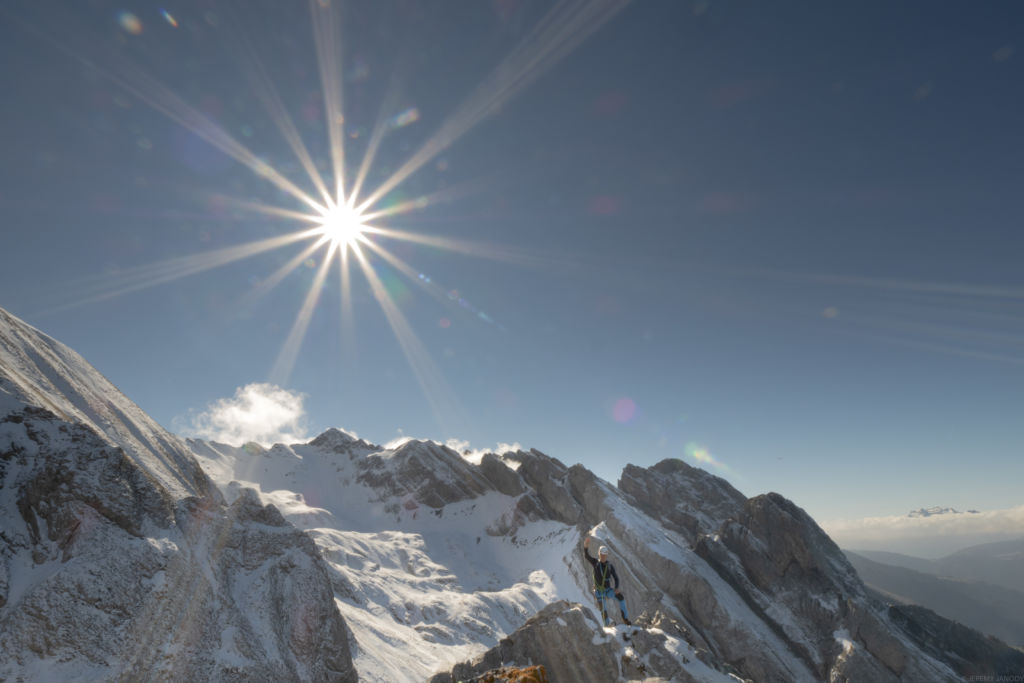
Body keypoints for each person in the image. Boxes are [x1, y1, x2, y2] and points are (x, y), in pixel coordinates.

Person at [583, 535, 630, 626]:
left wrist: (616, 588)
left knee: (621, 598)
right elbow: (586, 556)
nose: (603, 556)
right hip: (599, 591)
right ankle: (607, 625)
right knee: (603, 609)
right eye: (602, 554)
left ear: (607, 555)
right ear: (599, 554)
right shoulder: (595, 563)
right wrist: (585, 546)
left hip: (608, 590)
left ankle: (625, 619)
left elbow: (616, 578)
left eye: (605, 555)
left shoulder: (609, 566)